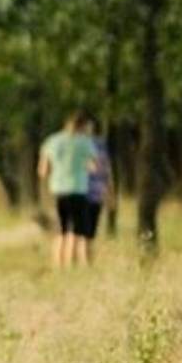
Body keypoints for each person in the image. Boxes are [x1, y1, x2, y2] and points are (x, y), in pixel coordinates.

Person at [37, 110, 97, 268]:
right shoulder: (85, 142)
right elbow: (93, 167)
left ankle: (58, 265)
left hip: (57, 190)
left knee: (60, 230)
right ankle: (71, 264)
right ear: (82, 126)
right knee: (76, 231)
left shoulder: (52, 141)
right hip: (78, 189)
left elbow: (42, 171)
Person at [84, 116, 114, 262]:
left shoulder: (96, 144)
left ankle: (84, 259)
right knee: (88, 231)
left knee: (83, 231)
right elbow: (106, 171)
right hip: (94, 192)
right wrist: (109, 192)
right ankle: (87, 259)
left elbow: (105, 170)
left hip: (88, 192)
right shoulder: (101, 145)